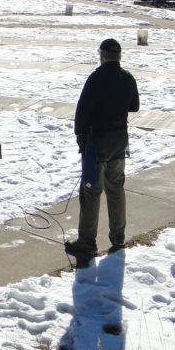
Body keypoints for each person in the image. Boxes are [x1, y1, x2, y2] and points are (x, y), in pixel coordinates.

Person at [65, 38, 140, 263]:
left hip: (97, 143)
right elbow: (134, 106)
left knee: (91, 193)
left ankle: (87, 242)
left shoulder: (96, 78)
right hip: (119, 141)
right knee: (116, 189)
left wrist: (80, 137)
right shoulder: (127, 78)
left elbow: (82, 112)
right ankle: (118, 238)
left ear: (102, 55)